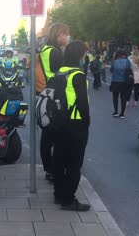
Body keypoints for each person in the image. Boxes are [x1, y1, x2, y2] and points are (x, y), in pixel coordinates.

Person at [53, 41, 90, 211]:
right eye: (84, 53)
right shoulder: (78, 74)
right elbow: (82, 103)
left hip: (59, 122)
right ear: (79, 55)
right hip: (75, 124)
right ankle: (69, 200)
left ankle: (58, 194)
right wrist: (86, 123)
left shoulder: (60, 72)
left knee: (59, 160)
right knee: (74, 163)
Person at [38, 23, 68, 183]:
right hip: (55, 95)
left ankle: (49, 169)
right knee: (54, 136)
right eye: (66, 34)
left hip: (47, 93)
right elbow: (60, 75)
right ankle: (53, 170)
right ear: (59, 35)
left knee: (47, 135)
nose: (67, 37)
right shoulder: (55, 52)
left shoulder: (45, 49)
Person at [110, 49, 132, 118]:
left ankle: (116, 111)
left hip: (115, 81)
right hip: (124, 81)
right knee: (123, 97)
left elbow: (111, 70)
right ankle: (122, 113)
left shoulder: (114, 61)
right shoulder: (127, 61)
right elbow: (130, 70)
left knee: (115, 97)